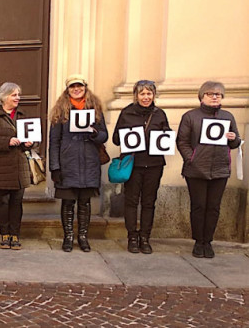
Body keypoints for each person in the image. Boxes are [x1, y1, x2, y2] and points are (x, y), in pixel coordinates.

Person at [177, 81, 241, 259]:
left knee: (213, 207)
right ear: (202, 96)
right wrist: (192, 158)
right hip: (196, 170)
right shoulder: (190, 116)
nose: (214, 97)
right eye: (210, 94)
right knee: (199, 206)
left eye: (218, 95)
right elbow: (182, 141)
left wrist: (234, 138)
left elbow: (235, 142)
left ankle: (208, 241)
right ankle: (198, 241)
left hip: (220, 169)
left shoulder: (228, 116)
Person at [48, 74, 108, 252]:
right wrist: (55, 167)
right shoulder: (60, 111)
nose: (76, 89)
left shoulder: (95, 109)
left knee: (84, 202)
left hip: (89, 163)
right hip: (68, 163)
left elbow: (104, 135)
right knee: (67, 202)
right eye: (73, 86)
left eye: (79, 86)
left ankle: (83, 237)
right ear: (68, 90)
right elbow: (54, 141)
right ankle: (68, 237)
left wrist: (95, 133)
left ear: (85, 88)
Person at [112, 80, 170, 254]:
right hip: (133, 164)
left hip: (154, 164)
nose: (146, 97)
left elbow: (165, 136)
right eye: (142, 94)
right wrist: (128, 137)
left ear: (154, 95)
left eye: (149, 93)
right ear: (136, 95)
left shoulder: (160, 114)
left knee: (149, 202)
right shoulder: (127, 113)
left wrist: (165, 137)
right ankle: (132, 236)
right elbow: (116, 138)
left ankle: (145, 237)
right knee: (131, 201)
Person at [0, 83, 34, 250]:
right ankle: (4, 234)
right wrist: (7, 141)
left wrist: (30, 143)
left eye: (18, 94)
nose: (17, 97)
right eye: (14, 95)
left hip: (19, 167)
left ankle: (15, 234)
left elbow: (34, 136)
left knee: (17, 202)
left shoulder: (23, 116)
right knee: (2, 202)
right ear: (3, 97)